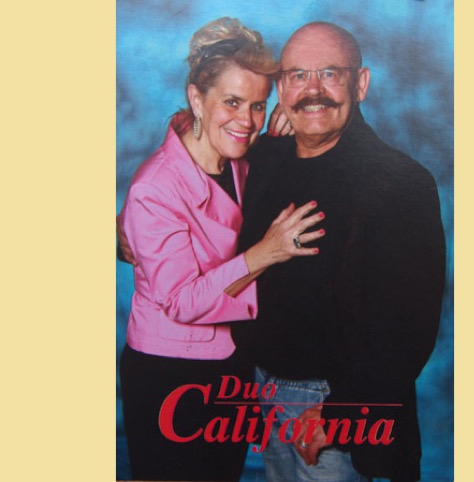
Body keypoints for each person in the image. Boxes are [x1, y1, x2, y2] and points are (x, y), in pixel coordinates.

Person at [229, 22, 447, 482]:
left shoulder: (400, 183)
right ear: (281, 89)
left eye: (329, 74)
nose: (313, 91)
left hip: (334, 409)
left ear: (360, 84)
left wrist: (341, 413)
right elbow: (202, 161)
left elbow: (407, 328)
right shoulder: (266, 159)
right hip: (265, 392)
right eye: (298, 76)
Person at [117, 17, 324, 482]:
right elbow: (181, 300)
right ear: (197, 98)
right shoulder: (154, 188)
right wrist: (267, 252)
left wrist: (287, 128)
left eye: (257, 105)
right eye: (232, 102)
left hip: (231, 367)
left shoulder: (243, 160)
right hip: (170, 375)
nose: (246, 121)